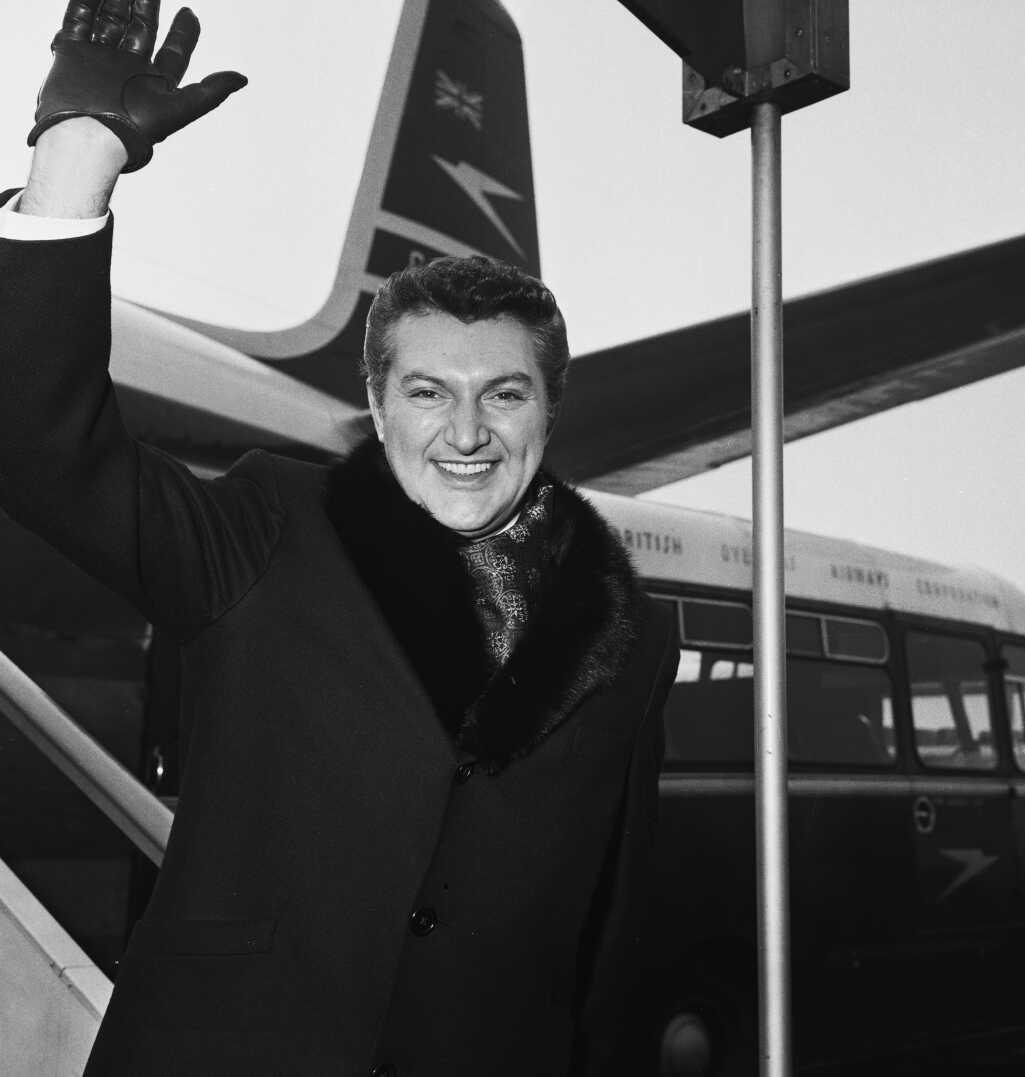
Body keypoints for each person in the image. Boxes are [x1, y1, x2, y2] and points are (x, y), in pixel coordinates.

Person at [0, 3, 678, 1075]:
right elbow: (44, 453)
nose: (463, 434)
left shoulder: (635, 637)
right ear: (375, 401)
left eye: (502, 394)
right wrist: (75, 152)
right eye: (425, 392)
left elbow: (609, 937)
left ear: (550, 410)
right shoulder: (268, 527)